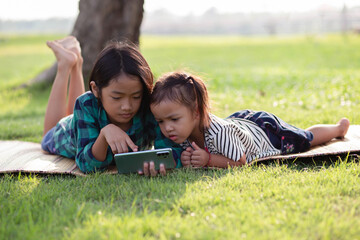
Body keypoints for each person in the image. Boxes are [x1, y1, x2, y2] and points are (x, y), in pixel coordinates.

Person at [150, 71, 350, 168]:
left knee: (305, 138)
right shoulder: (182, 132)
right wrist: (188, 158)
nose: (167, 128)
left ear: (196, 112)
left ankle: (337, 129)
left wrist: (208, 159)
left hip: (265, 131)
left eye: (173, 119)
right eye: (161, 121)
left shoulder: (220, 133)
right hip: (241, 124)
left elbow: (240, 162)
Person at [41, 36, 181, 175]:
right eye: (117, 97)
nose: (127, 106)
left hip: (83, 119)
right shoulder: (86, 104)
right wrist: (104, 134)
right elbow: (86, 165)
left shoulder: (149, 106)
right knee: (47, 135)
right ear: (95, 89)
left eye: (136, 96)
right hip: (66, 133)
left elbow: (170, 149)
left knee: (77, 113)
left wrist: (165, 161)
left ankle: (76, 62)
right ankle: (65, 66)